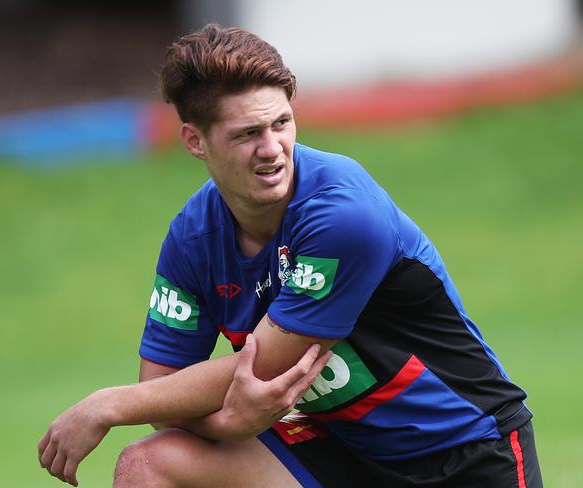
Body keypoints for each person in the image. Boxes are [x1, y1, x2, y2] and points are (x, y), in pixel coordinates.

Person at [38, 24, 542, 487]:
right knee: (148, 465)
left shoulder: (345, 215)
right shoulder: (193, 240)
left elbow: (261, 366)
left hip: (465, 452)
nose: (274, 148)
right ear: (195, 140)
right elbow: (161, 393)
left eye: (282, 122)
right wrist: (227, 423)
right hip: (338, 453)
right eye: (247, 134)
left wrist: (105, 405)